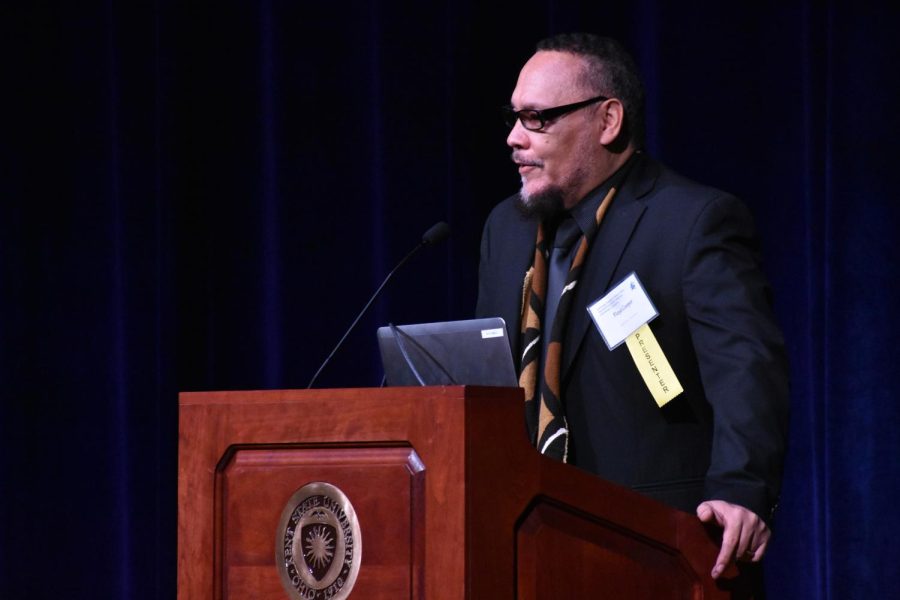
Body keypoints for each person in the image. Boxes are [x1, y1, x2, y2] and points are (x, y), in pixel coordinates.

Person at [476, 33, 789, 581]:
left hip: (659, 547)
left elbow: (747, 369)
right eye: (513, 117)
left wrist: (742, 488)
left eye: (536, 119)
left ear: (608, 120)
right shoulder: (506, 228)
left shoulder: (693, 221)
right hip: (523, 543)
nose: (513, 138)